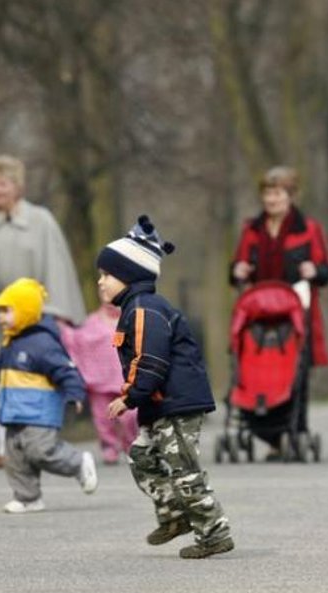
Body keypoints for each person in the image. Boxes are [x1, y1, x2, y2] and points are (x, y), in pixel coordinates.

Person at [100, 215, 234, 559]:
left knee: (184, 470)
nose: (100, 282)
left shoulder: (146, 310)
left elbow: (151, 361)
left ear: (129, 276)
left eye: (107, 275)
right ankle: (174, 515)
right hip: (159, 404)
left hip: (177, 403)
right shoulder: (134, 309)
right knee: (142, 456)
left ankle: (213, 532)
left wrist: (128, 398)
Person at [0, 154, 87, 468]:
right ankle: (1, 447)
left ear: (17, 186)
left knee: (31, 377)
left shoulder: (41, 221)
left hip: (33, 318)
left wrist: (56, 311)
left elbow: (56, 266)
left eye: (2, 184)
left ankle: (37, 439)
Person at [0, 277, 98, 513]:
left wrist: (75, 394)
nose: (0, 316)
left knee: (41, 452)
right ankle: (28, 497)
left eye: (6, 311)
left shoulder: (42, 344)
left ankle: (78, 463)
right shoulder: (11, 343)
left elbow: (66, 370)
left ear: (25, 312)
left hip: (39, 413)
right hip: (14, 413)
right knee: (15, 458)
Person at [230, 165, 328, 456]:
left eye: (277, 193)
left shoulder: (308, 229)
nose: (271, 199)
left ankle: (294, 431)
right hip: (258, 315)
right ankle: (266, 431)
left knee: (296, 372)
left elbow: (326, 270)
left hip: (296, 313)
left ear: (290, 196)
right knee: (257, 370)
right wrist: (237, 270)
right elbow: (236, 269)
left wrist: (315, 269)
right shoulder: (251, 229)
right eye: (267, 193)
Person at [62, 302, 139, 465]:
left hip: (126, 380)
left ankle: (130, 443)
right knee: (103, 418)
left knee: (130, 416)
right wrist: (65, 330)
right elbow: (77, 341)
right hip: (99, 380)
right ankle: (109, 446)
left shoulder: (132, 320)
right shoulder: (92, 321)